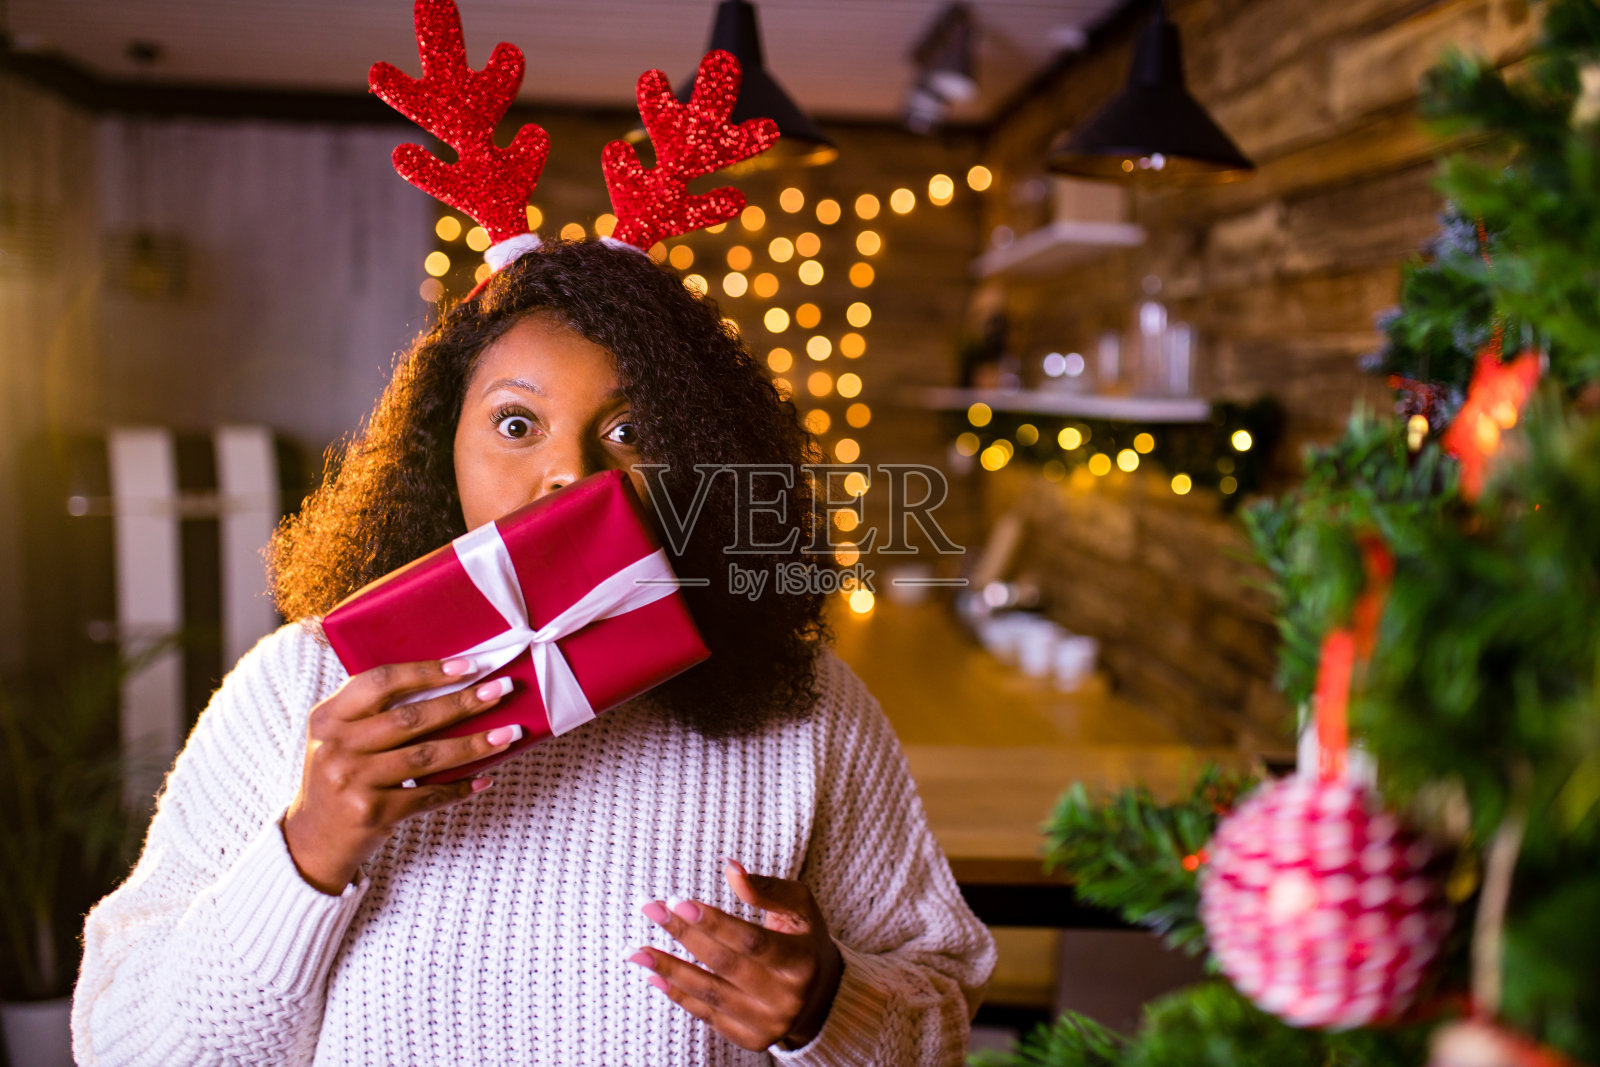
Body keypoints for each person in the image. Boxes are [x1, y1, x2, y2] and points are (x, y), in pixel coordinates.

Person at [71, 237, 997, 1065]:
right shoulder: (300, 687)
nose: (573, 474)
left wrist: (829, 1007)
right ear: (444, 448)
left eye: (632, 433)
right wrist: (310, 845)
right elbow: (125, 1043)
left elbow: (941, 1012)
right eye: (517, 423)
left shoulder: (805, 710)